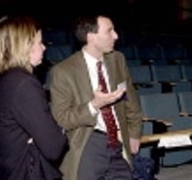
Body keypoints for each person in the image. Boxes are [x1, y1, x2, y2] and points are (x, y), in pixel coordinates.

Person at [49, 14, 143, 180]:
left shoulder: (117, 60)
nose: (116, 35)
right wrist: (93, 105)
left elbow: (130, 99)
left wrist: (135, 132)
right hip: (88, 142)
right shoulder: (63, 71)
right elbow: (62, 118)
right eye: (109, 31)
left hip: (118, 140)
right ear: (91, 37)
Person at [0, 15, 68, 180]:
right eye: (39, 42)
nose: (44, 48)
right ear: (25, 46)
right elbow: (54, 146)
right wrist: (59, 130)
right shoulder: (23, 84)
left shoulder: (7, 80)